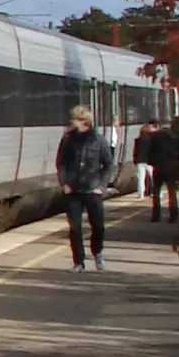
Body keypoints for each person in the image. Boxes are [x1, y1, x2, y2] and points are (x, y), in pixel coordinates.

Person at [55, 103, 113, 271]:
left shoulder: (99, 140)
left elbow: (108, 164)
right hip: (73, 190)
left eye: (75, 119)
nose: (72, 123)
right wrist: (64, 182)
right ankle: (78, 261)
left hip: (92, 190)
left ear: (84, 121)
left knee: (98, 226)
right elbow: (61, 162)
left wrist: (102, 186)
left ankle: (97, 252)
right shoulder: (67, 140)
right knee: (75, 227)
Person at [133, 120, 179, 222]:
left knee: (156, 191)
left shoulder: (153, 137)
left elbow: (148, 152)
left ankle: (156, 215)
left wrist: (152, 163)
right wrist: (178, 162)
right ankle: (174, 215)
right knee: (172, 191)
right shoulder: (176, 137)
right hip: (171, 166)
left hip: (158, 167)